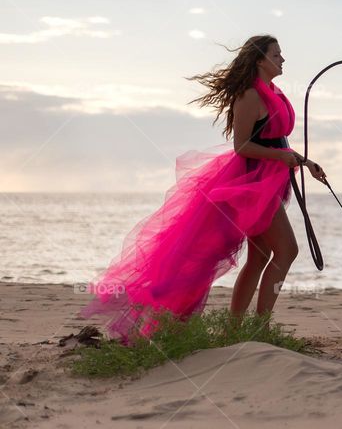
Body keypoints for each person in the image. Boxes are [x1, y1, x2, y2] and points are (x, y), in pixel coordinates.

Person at [78, 35, 327, 344]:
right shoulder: (250, 95)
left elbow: (276, 141)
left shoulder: (273, 92)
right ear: (260, 59)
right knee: (287, 250)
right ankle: (259, 332)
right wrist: (283, 158)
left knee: (261, 256)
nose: (283, 59)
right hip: (249, 183)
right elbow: (242, 146)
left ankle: (237, 330)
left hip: (268, 182)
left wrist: (306, 162)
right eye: (277, 54)